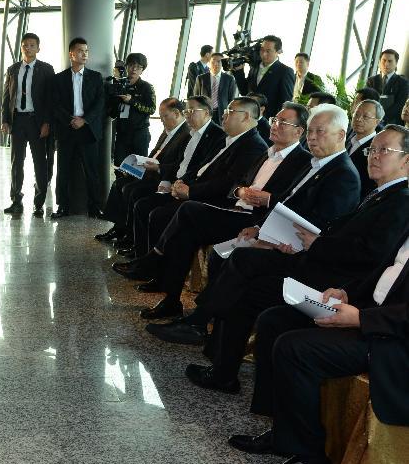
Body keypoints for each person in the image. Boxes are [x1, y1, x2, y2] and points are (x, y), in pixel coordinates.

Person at [179, 126, 409, 397]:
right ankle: (221, 364)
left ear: (406, 159)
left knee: (250, 278)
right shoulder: (382, 193)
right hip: (323, 265)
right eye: (372, 149)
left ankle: (209, 338)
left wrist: (316, 245)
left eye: (385, 150)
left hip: (337, 280)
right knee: (246, 270)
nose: (373, 156)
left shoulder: (400, 199)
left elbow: (372, 255)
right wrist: (304, 244)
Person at [233, 216, 409, 464]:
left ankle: (311, 463)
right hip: (375, 317)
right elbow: (385, 273)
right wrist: (346, 293)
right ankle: (282, 433)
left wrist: (362, 318)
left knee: (296, 348)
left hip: (396, 341)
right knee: (275, 321)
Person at [122, 103, 310, 310]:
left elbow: (289, 201)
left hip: (253, 218)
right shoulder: (268, 152)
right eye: (275, 120)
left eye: (283, 122)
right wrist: (241, 192)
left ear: (299, 131)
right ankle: (171, 299)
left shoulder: (302, 160)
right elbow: (238, 183)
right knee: (185, 233)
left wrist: (267, 199)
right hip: (235, 207)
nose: (274, 125)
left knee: (188, 210)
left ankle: (154, 259)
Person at [113, 95, 225, 255]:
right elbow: (181, 164)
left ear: (207, 112)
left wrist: (176, 183)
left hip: (190, 190)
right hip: (175, 182)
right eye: (187, 111)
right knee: (137, 198)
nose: (188, 115)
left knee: (147, 206)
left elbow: (202, 170)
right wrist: (167, 179)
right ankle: (139, 251)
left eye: (192, 111)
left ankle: (147, 257)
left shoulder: (216, 136)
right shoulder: (192, 133)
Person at [96, 98, 189, 241]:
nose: (162, 120)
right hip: (151, 171)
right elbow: (156, 153)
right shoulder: (168, 131)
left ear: (176, 113)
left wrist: (157, 168)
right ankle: (118, 227)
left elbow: (180, 164)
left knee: (130, 190)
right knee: (119, 183)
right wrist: (137, 164)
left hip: (163, 177)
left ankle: (131, 235)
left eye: (164, 116)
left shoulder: (186, 134)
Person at [0, 33, 55, 217]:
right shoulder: (13, 69)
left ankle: (38, 203)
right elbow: (7, 97)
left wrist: (47, 122)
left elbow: (50, 99)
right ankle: (16, 200)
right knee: (17, 163)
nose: (28, 48)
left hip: (37, 122)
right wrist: (5, 120)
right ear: (21, 48)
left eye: (32, 45)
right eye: (25, 45)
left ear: (38, 48)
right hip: (17, 121)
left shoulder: (46, 69)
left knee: (40, 162)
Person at [51, 38, 105, 219]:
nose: (84, 54)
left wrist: (84, 120)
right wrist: (70, 119)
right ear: (71, 54)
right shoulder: (59, 79)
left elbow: (100, 104)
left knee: (92, 171)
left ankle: (95, 208)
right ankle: (62, 207)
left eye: (86, 51)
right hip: (66, 130)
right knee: (63, 170)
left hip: (88, 130)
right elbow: (55, 104)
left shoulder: (96, 77)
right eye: (80, 51)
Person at [106, 53, 156, 166]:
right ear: (127, 67)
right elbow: (112, 112)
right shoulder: (119, 85)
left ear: (142, 70)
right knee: (120, 165)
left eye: (138, 67)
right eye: (131, 65)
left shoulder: (146, 87)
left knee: (137, 168)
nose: (134, 69)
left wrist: (132, 101)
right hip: (122, 134)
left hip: (139, 134)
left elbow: (151, 109)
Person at [232, 35, 295, 118]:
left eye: (268, 51)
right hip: (248, 117)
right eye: (262, 50)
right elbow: (244, 92)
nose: (264, 54)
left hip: (268, 120)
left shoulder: (285, 71)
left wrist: (276, 121)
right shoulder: (254, 67)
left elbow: (286, 101)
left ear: (278, 51)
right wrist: (239, 72)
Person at [348, 99, 383, 197]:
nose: (358, 119)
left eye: (365, 116)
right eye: (356, 114)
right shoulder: (347, 139)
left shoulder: (377, 149)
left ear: (377, 121)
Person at [365, 49, 409, 125]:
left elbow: (400, 104)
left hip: (393, 123)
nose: (386, 64)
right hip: (372, 120)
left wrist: (381, 118)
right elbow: (368, 100)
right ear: (379, 62)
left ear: (396, 63)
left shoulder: (403, 82)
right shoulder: (371, 81)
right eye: (384, 60)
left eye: (390, 61)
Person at [194, 51, 237, 124]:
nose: (216, 64)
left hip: (221, 114)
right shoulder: (201, 78)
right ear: (209, 63)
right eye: (213, 61)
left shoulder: (229, 79)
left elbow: (231, 99)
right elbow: (196, 98)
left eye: (219, 61)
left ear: (222, 64)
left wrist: (229, 116)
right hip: (204, 114)